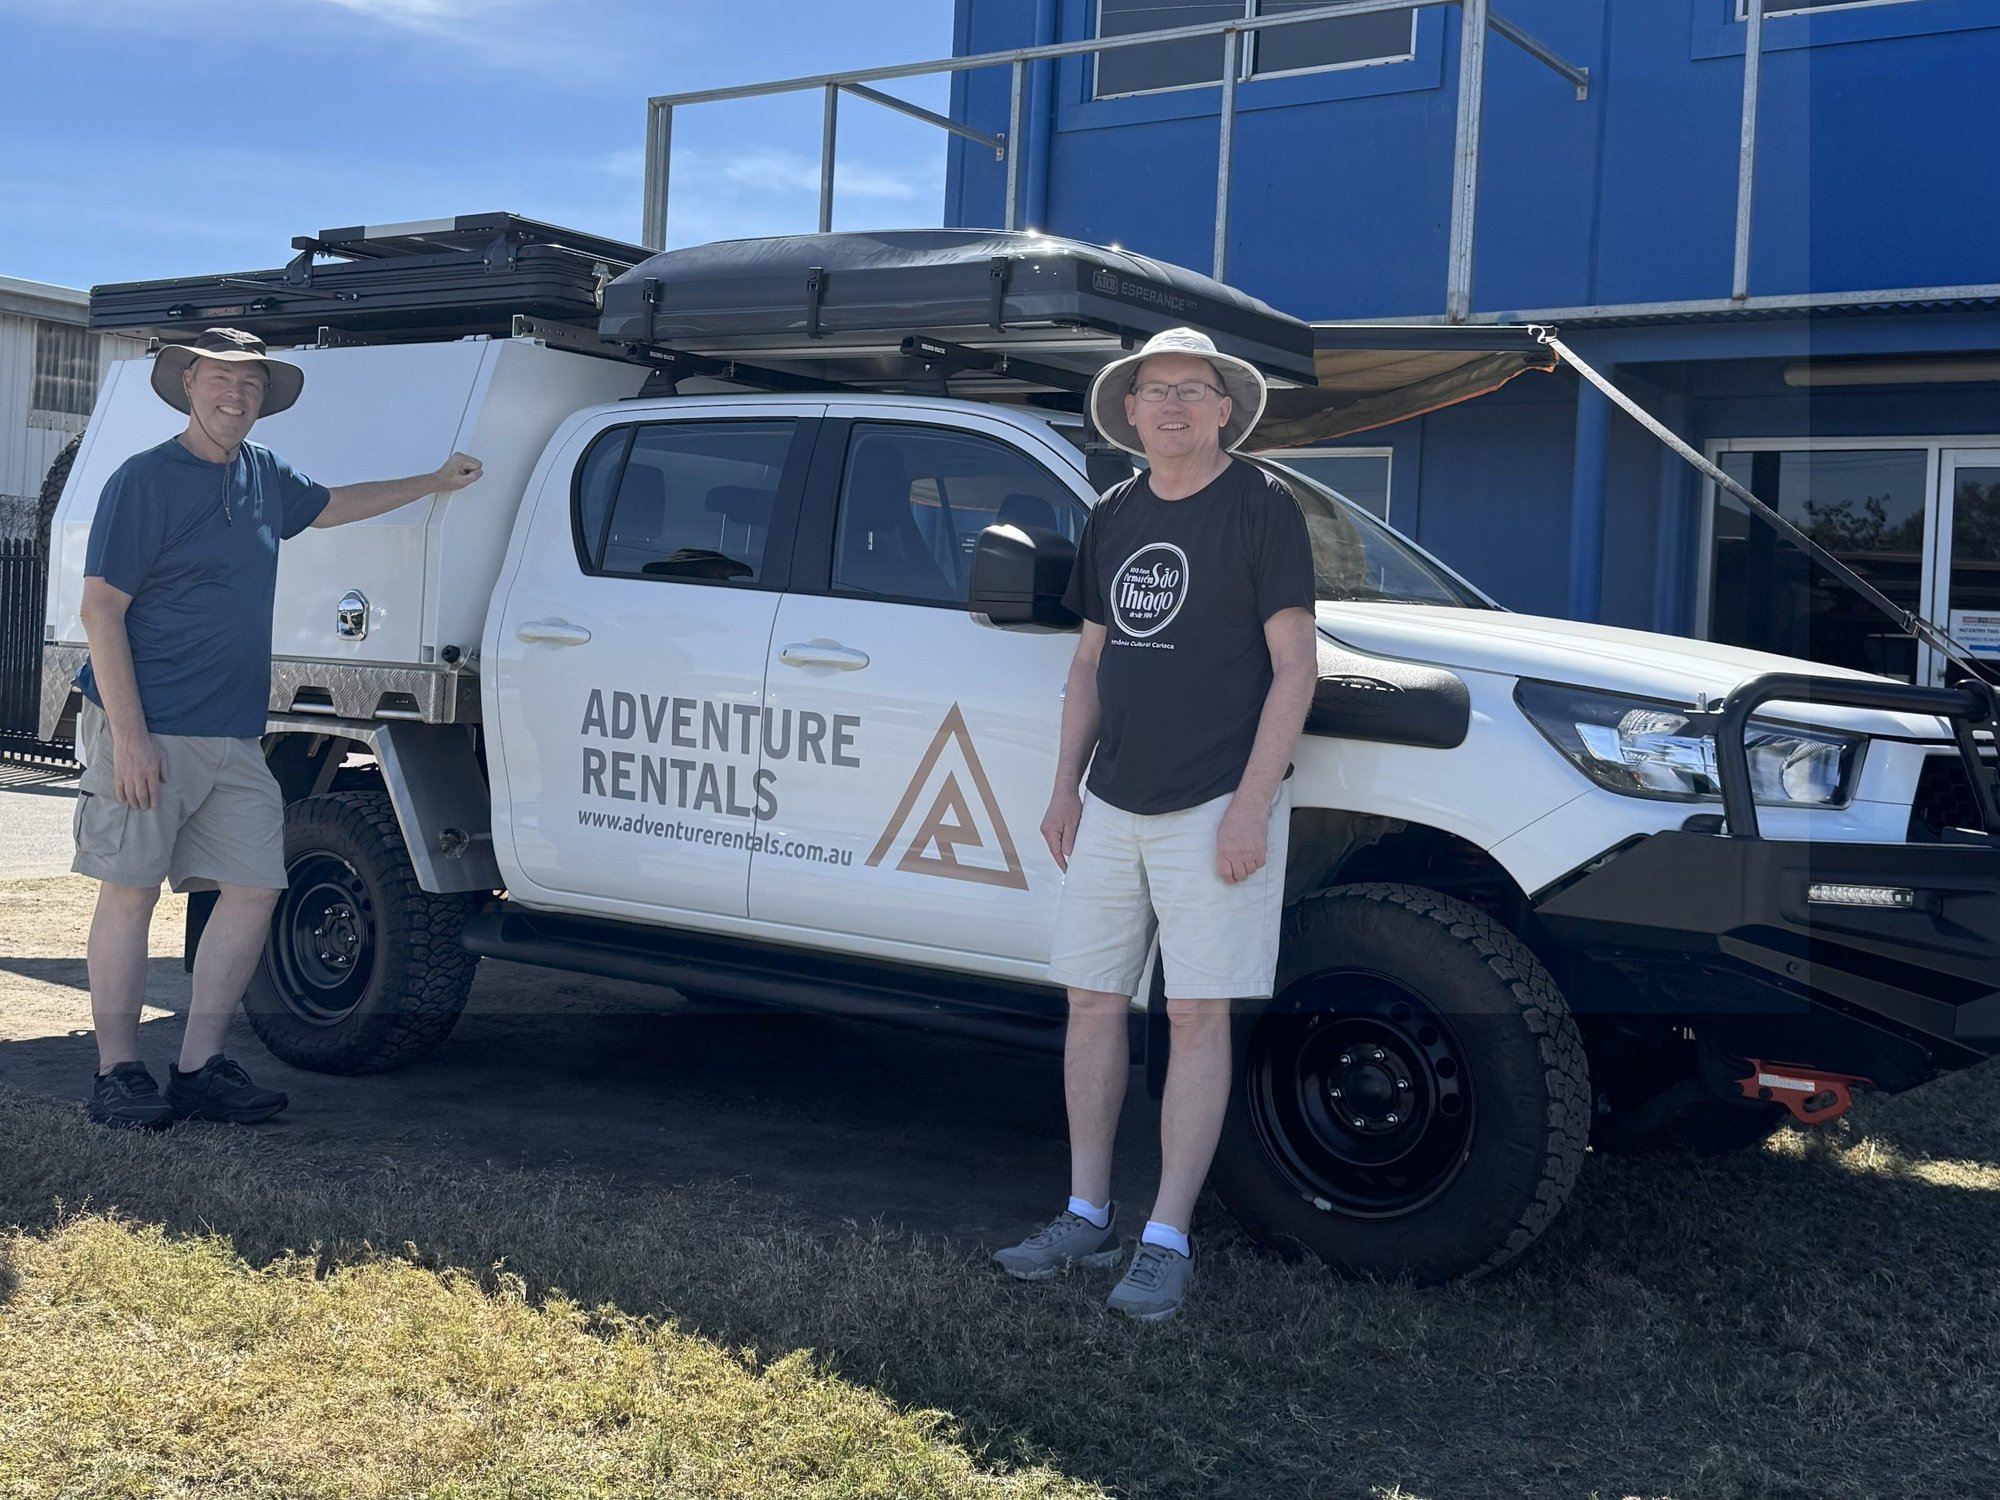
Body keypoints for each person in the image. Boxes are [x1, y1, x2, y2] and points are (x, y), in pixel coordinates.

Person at [75, 327, 483, 1129]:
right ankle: (117, 1072)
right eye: (223, 378)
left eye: (252, 383)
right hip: (148, 724)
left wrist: (434, 481)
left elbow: (334, 506)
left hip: (233, 733)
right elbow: (100, 609)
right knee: (129, 895)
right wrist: (129, 736)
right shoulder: (144, 481)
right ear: (189, 383)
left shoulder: (264, 477)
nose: (237, 394)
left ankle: (198, 1068)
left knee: (257, 887)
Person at [993, 327, 1318, 1320]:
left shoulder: (1261, 507)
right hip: (1109, 801)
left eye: (1191, 389)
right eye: (1151, 390)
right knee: (1091, 1005)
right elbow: (1089, 661)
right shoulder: (1113, 511)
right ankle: (1084, 1212)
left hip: (1215, 803)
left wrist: (1248, 807)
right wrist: (1062, 787)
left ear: (1225, 409)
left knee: (1192, 1015)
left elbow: (1294, 665)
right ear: (1127, 413)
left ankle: (1166, 1237)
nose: (1170, 404)